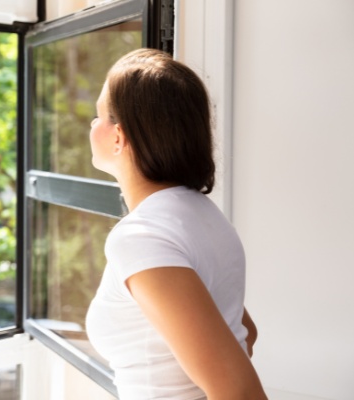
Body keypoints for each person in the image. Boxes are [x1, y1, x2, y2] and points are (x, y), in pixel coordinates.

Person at [84, 49, 267, 399]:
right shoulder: (202, 213)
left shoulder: (142, 237)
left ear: (119, 137)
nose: (93, 126)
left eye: (98, 117)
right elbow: (245, 331)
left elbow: (241, 393)